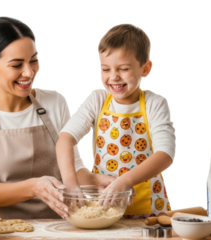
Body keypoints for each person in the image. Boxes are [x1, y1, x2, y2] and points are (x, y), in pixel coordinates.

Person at [0, 16, 116, 219]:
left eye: (34, 60)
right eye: (16, 65)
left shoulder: (56, 101)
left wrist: (92, 180)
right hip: (0, 230)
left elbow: (74, 166)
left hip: (59, 226)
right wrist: (34, 187)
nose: (29, 72)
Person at [56, 23, 178, 219]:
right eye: (105, 69)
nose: (113, 77)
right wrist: (71, 184)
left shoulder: (155, 103)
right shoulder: (96, 100)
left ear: (145, 69)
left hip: (148, 211)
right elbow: (65, 140)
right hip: (104, 208)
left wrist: (125, 182)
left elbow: (166, 154)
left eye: (123, 68)